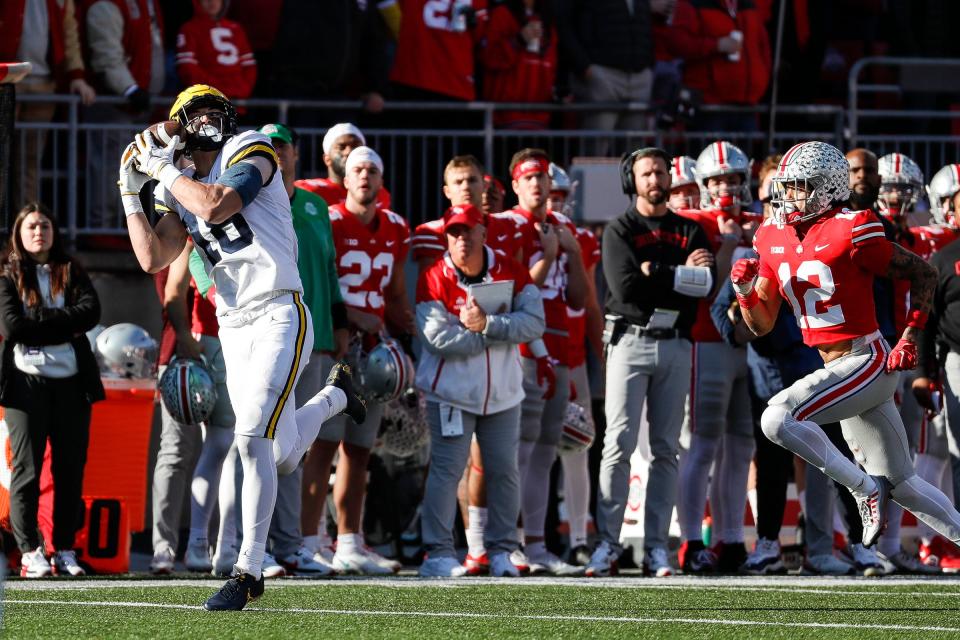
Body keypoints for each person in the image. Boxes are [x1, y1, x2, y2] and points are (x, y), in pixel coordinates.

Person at [118, 83, 365, 610]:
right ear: (180, 126)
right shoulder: (181, 182)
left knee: (249, 437)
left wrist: (163, 172)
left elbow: (217, 204)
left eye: (212, 111)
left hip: (279, 309)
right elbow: (152, 258)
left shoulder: (250, 149)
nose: (204, 121)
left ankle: (247, 571)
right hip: (233, 326)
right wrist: (128, 189)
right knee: (278, 457)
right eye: (193, 114)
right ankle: (334, 398)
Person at [733, 141, 960, 565]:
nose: (788, 197)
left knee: (776, 418)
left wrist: (911, 333)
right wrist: (745, 291)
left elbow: (923, 272)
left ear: (826, 187)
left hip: (867, 358)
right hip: (836, 366)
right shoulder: (771, 234)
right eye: (787, 187)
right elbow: (761, 323)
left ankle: (861, 488)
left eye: (799, 187)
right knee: (905, 483)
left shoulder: (853, 226)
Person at [588, 147, 715, 578]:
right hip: (629, 340)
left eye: (660, 172)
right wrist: (679, 274)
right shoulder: (619, 229)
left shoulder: (689, 229)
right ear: (632, 181)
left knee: (666, 449)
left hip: (676, 343)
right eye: (646, 173)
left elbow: (704, 286)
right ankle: (608, 543)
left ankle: (658, 547)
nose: (655, 180)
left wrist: (656, 271)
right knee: (618, 443)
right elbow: (625, 289)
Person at [416, 203, 546, 577]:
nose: (461, 239)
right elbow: (437, 338)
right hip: (451, 394)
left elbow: (535, 322)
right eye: (454, 232)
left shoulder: (511, 269)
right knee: (447, 471)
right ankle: (438, 553)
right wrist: (493, 334)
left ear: (483, 233)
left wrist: (487, 324)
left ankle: (503, 550)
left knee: (505, 471)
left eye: (468, 231)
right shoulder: (432, 276)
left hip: (504, 395)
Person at [259, 122, 348, 575]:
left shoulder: (315, 205)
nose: (276, 154)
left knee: (296, 446)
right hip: (272, 334)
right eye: (268, 148)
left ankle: (290, 543)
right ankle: (258, 546)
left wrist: (339, 326)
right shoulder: (252, 200)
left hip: (316, 336)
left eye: (283, 147)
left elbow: (329, 272)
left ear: (296, 154)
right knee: (265, 441)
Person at [322, 145, 414, 575]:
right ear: (344, 176)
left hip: (374, 351)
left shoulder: (396, 227)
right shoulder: (330, 220)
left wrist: (410, 331)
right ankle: (308, 539)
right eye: (357, 169)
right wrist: (347, 317)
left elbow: (395, 294)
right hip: (337, 346)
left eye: (372, 170)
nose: (364, 176)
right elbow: (318, 284)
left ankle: (348, 540)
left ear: (381, 180)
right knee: (321, 447)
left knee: (359, 451)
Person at [0, 202, 105, 578]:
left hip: (72, 383)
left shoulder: (70, 269)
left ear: (53, 231)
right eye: (31, 226)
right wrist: (63, 324)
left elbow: (90, 312)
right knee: (27, 470)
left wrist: (41, 320)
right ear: (19, 234)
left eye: (44, 224)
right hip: (25, 384)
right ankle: (30, 550)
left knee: (70, 470)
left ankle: (64, 549)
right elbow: (12, 326)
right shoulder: (8, 273)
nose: (38, 232)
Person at [506, 148, 588, 576]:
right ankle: (511, 541)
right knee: (518, 449)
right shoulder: (506, 225)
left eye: (542, 176)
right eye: (529, 176)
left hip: (558, 339)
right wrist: (551, 257)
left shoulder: (563, 226)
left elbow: (578, 298)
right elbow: (514, 290)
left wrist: (570, 254)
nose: (538, 184)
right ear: (515, 184)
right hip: (524, 344)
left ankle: (536, 544)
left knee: (545, 451)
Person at [674, 141, 754, 574]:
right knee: (703, 444)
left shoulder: (759, 221)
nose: (727, 186)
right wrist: (725, 246)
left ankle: (730, 539)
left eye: (733, 179)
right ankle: (690, 540)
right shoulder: (691, 224)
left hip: (750, 346)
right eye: (719, 179)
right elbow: (706, 289)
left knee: (741, 447)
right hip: (707, 342)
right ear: (703, 184)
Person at [1, 0, 96, 201]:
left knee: (30, 162)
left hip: (44, 85)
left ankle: (24, 225)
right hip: (5, 81)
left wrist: (76, 75)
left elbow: (69, 34)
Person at [668, 0, 771, 132]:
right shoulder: (692, 4)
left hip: (748, 103)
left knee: (746, 151)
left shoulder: (748, 5)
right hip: (709, 106)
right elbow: (676, 43)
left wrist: (762, 78)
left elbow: (763, 46)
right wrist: (716, 45)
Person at [480, 0, 558, 129]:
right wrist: (518, 40)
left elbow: (552, 68)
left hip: (540, 121)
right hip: (505, 119)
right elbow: (489, 58)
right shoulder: (502, 14)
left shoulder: (548, 19)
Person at [176, 0, 257, 103]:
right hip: (206, 103)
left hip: (237, 101)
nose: (212, 2)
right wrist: (214, 90)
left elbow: (249, 65)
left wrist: (242, 89)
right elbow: (187, 69)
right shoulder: (189, 29)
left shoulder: (236, 29)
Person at [295, 123, 391, 209]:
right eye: (341, 147)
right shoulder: (309, 191)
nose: (349, 151)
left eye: (355, 146)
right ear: (327, 159)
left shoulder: (378, 193)